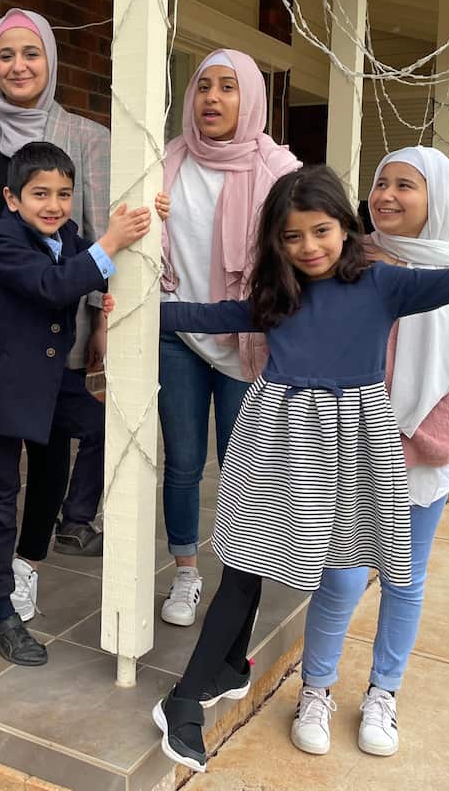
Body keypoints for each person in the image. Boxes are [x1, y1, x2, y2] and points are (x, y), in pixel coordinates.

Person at [149, 164, 449, 772]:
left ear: (344, 228)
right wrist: (134, 312)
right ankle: (185, 698)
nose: (308, 248)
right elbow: (209, 317)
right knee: (246, 566)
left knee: (334, 563)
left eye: (321, 231)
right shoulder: (281, 293)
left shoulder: (384, 284)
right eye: (292, 237)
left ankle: (232, 667)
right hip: (273, 438)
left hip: (346, 447)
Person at [291, 146, 449, 757]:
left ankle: (384, 692)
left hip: (423, 460)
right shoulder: (346, 263)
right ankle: (316, 688)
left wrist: (422, 444)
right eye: (380, 182)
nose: (386, 195)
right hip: (349, 449)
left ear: (439, 199)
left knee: (404, 581)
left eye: (405, 185)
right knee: (343, 576)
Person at [0, 142, 147, 666]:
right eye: (40, 195)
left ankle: (75, 520)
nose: (53, 205)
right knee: (3, 497)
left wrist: (109, 280)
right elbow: (53, 286)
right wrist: (111, 245)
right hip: (4, 390)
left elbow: (81, 272)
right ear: (12, 198)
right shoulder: (2, 241)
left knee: (103, 427)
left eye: (64, 194)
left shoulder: (68, 235)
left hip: (54, 383)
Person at [155, 49, 300, 627]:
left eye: (227, 88)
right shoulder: (167, 161)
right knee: (184, 462)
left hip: (249, 341)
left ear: (251, 100)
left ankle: (240, 579)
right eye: (203, 87)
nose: (212, 99)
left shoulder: (279, 173)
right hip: (177, 335)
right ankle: (186, 570)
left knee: (245, 470)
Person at [0, 9, 111, 588]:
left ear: (50, 61)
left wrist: (102, 316)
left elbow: (101, 234)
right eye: (6, 55)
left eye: (31, 53)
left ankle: (30, 557)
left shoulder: (87, 138)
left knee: (56, 442)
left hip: (60, 324)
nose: (19, 65)